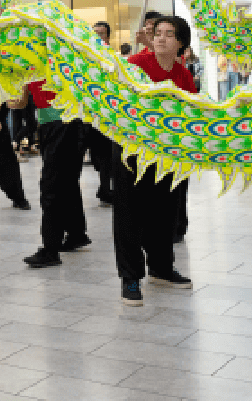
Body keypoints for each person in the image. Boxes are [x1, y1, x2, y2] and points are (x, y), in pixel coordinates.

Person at [115, 16, 195, 305]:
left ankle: (162, 268)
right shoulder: (135, 65)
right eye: (157, 33)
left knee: (166, 212)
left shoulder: (183, 75)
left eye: (168, 34)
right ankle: (130, 277)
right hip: (132, 150)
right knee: (130, 214)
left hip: (167, 154)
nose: (161, 38)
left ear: (180, 43)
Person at [21, 79, 90, 269]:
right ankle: (76, 234)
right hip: (54, 124)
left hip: (64, 123)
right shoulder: (32, 63)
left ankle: (50, 249)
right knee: (67, 181)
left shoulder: (51, 55)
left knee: (52, 185)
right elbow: (21, 101)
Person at [84, 21, 115, 206]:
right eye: (94, 33)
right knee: (96, 157)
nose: (97, 36)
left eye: (101, 33)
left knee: (104, 155)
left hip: (107, 114)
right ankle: (105, 187)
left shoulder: (111, 57)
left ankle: (106, 189)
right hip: (90, 114)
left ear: (108, 37)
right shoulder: (86, 57)